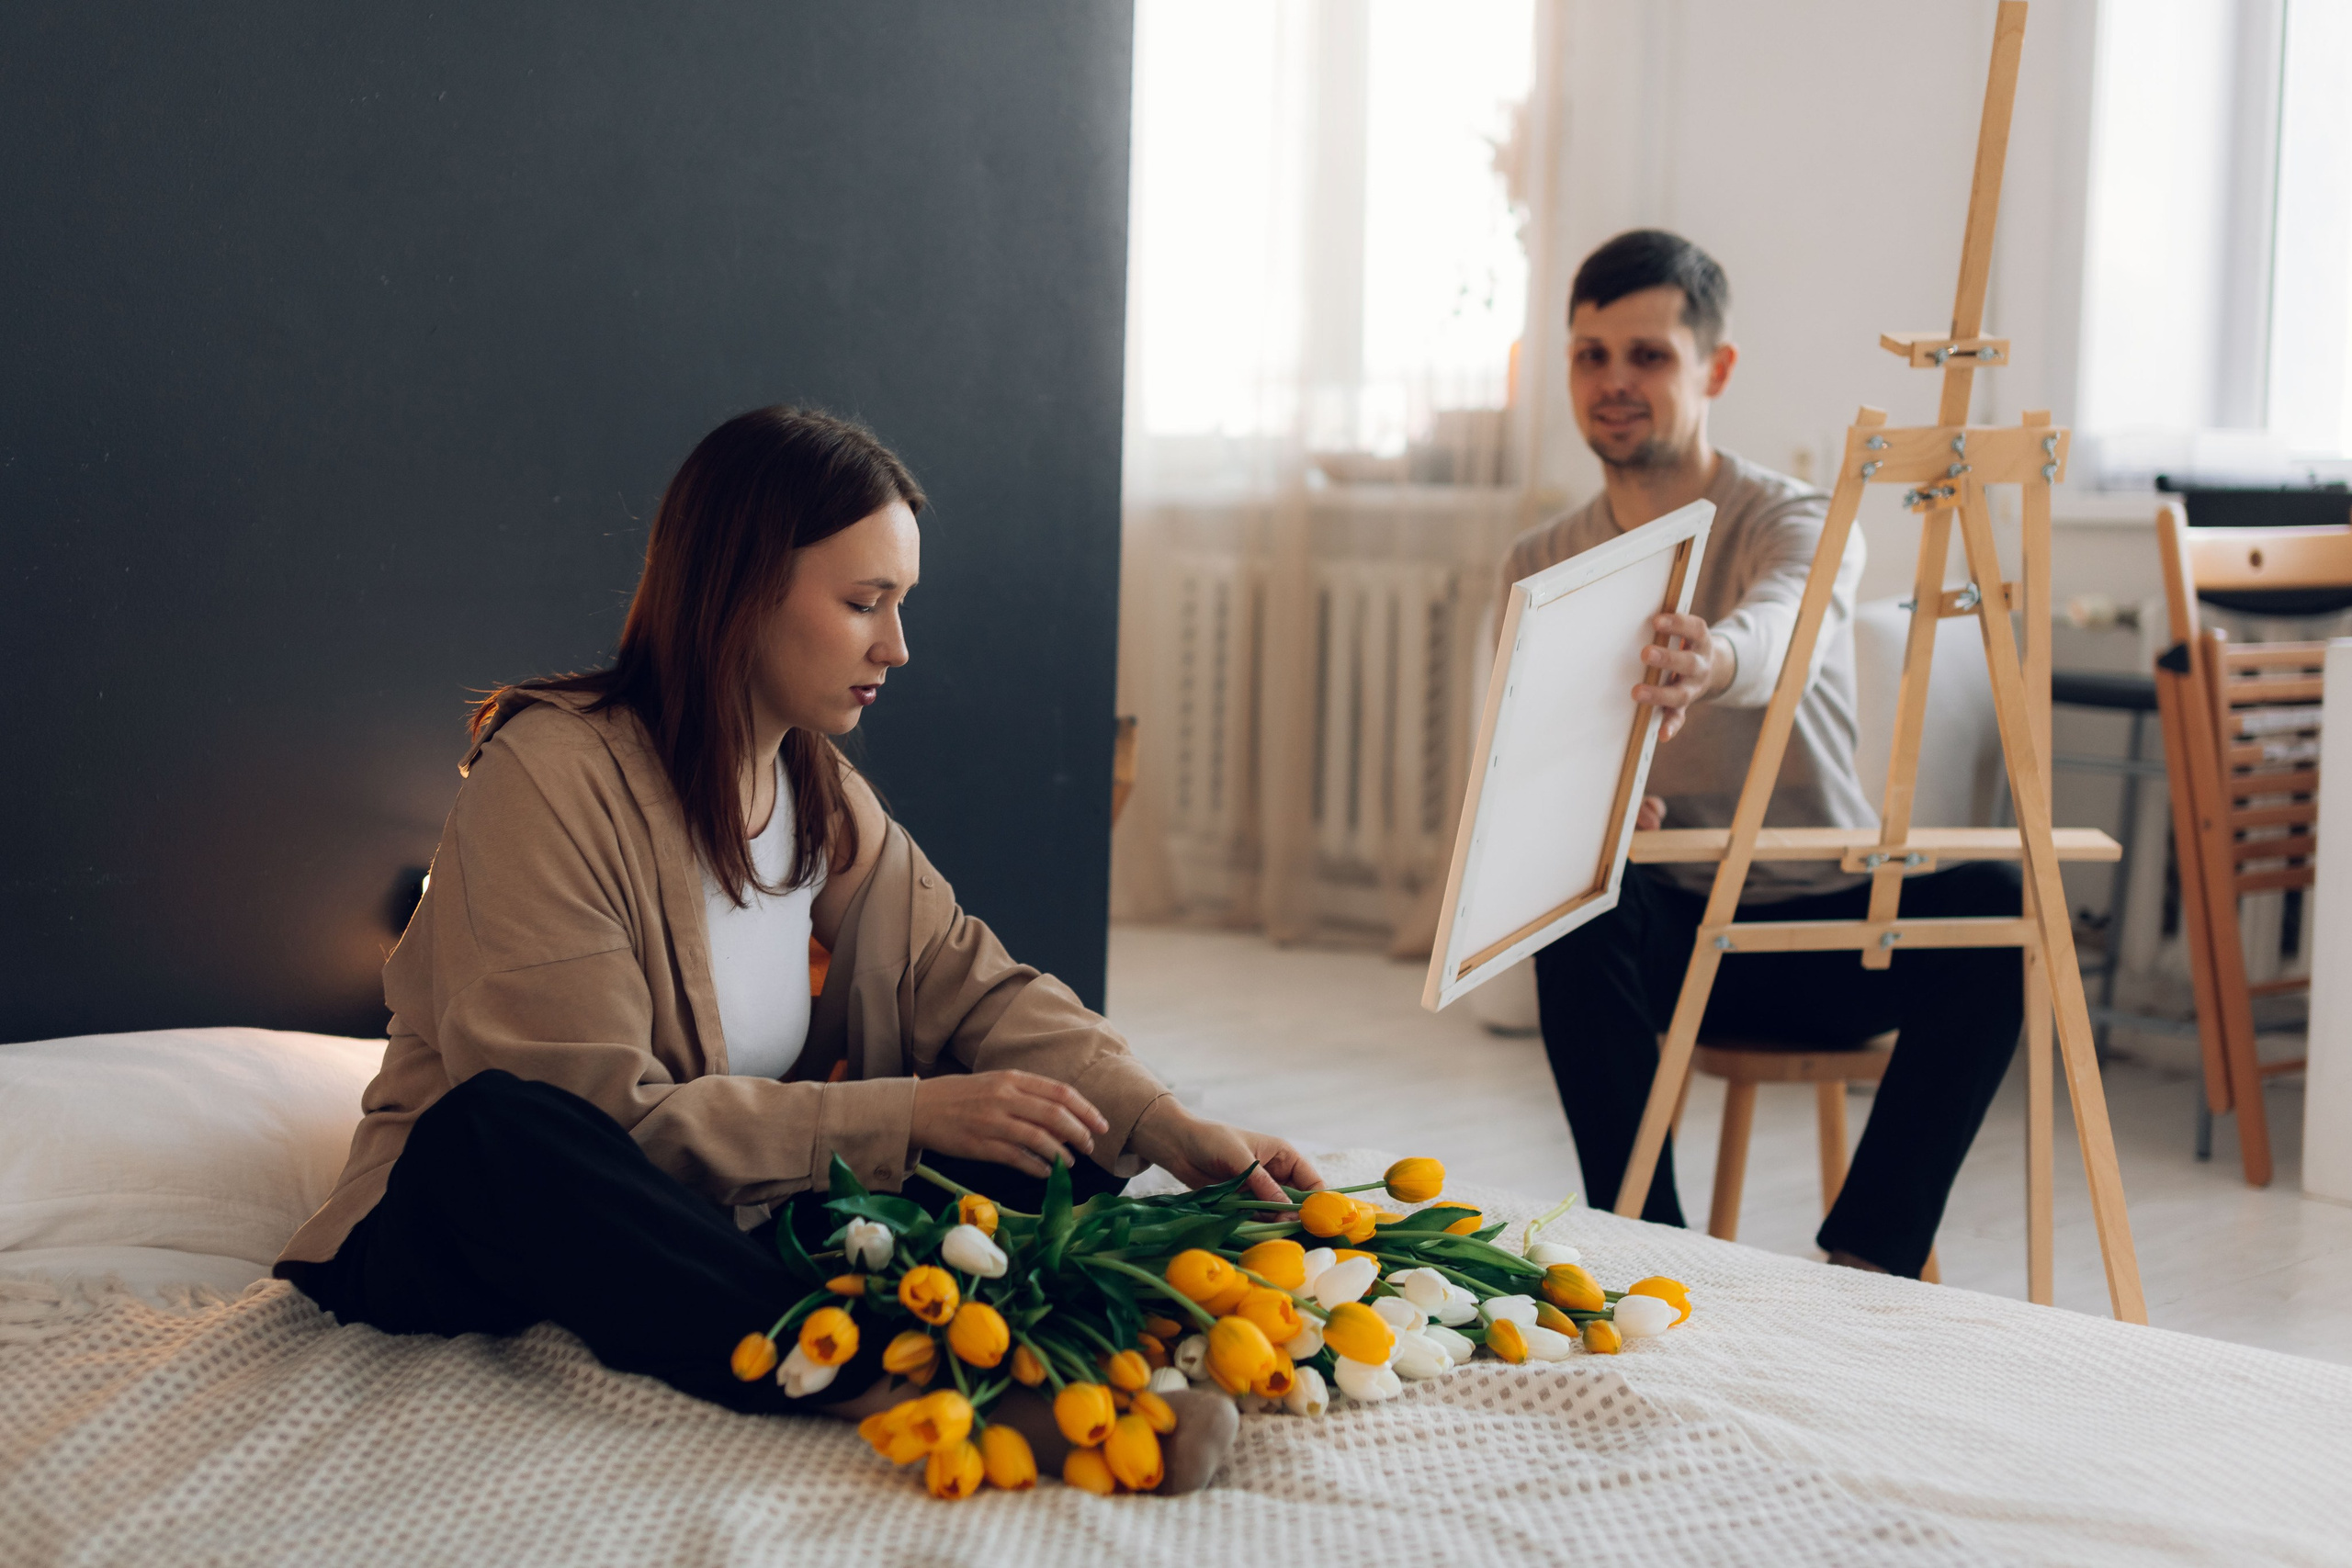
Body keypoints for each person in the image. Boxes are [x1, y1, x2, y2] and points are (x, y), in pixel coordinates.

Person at [277, 406, 1317, 1488]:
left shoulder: (814, 784)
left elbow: (970, 981)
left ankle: (836, 1306)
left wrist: (1169, 1125)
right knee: (495, 1128)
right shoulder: (547, 778)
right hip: (485, 1227)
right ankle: (891, 1381)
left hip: (713, 1215)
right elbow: (598, 1117)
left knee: (1052, 1125)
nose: (895, 647)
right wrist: (904, 1116)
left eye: (899, 605)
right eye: (864, 603)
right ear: (738, 589)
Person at [1507, 230, 2022, 1280]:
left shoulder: (1794, 518)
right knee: (1572, 902)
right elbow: (1524, 771)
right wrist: (1588, 813)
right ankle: (1646, 1249)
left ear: (1716, 369)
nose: (1613, 382)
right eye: (1590, 355)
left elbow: (1788, 625)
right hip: (1666, 937)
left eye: (1647, 355)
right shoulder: (1541, 559)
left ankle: (1869, 1257)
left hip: (1823, 931)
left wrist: (1711, 658)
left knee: (1997, 909)